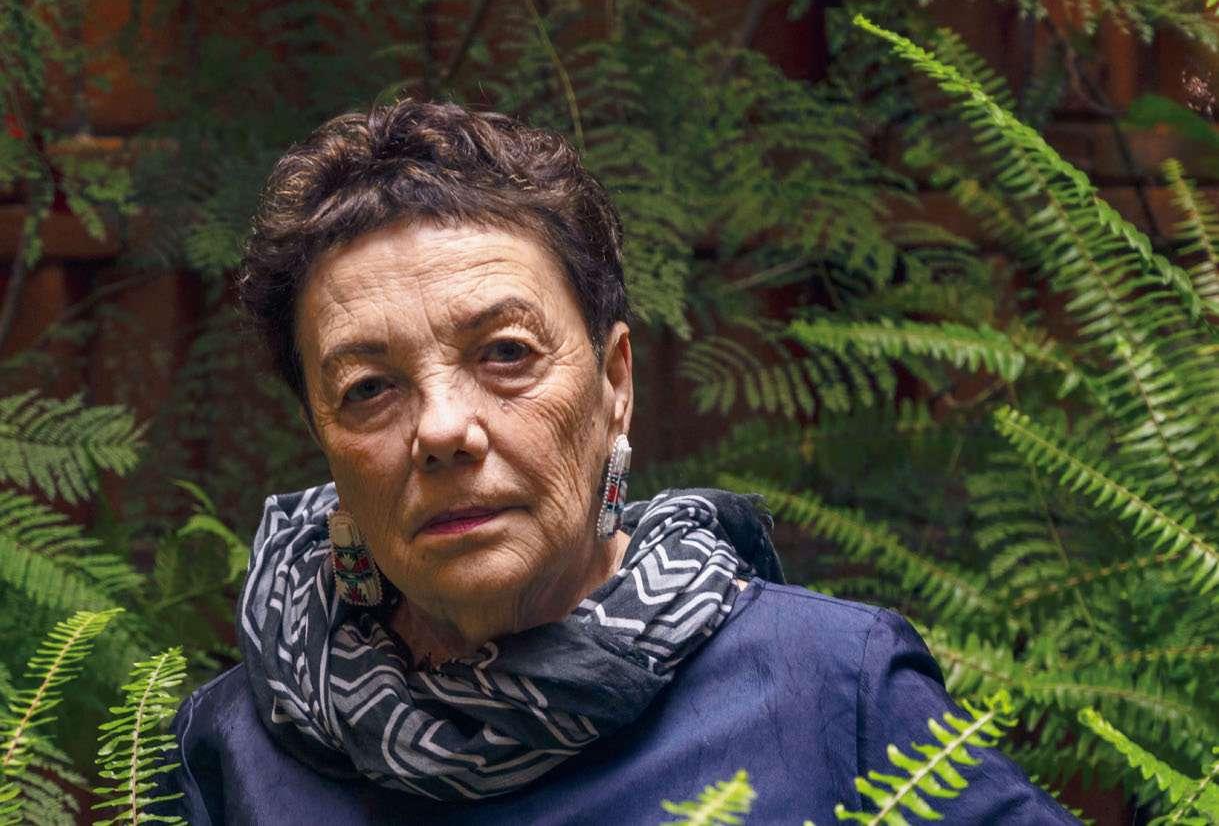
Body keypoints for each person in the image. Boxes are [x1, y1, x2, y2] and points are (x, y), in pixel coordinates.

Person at [164, 99, 1077, 824]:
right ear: (321, 437)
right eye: (368, 388)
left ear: (614, 383)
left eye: (505, 353)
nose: (442, 429)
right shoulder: (235, 749)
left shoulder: (830, 690)